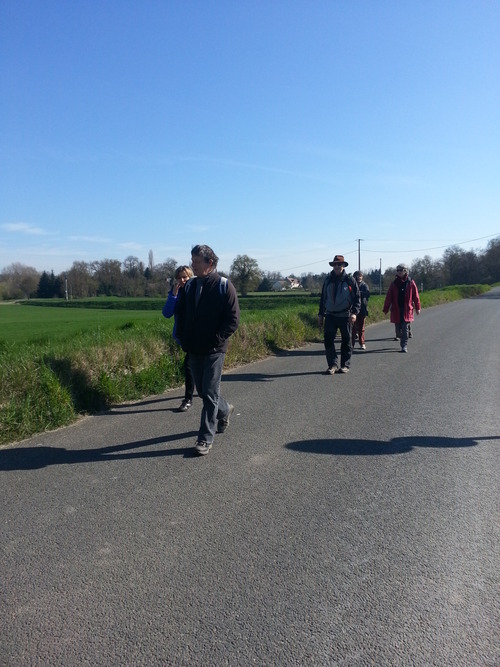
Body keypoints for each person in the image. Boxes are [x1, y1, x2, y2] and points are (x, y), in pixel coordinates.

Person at [176, 245, 240, 456]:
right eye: (192, 260)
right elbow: (182, 314)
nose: (192, 264)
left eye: (196, 261)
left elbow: (233, 320)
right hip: (193, 348)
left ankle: (205, 439)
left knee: (210, 393)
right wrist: (184, 338)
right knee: (203, 392)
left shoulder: (224, 286)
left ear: (209, 263)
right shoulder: (190, 286)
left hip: (214, 350)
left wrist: (217, 338)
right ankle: (225, 409)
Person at [318, 254, 361, 374]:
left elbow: (357, 298)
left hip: (345, 315)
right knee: (328, 340)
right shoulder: (327, 280)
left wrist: (354, 313)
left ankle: (345, 365)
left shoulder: (350, 280)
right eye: (335, 265)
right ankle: (332, 365)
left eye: (339, 264)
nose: (337, 267)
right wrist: (321, 314)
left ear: (343, 266)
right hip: (330, 315)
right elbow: (323, 299)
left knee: (346, 340)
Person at [162, 265, 195, 412]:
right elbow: (167, 313)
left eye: (185, 277)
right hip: (184, 337)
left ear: (190, 277)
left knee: (188, 367)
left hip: (197, 337)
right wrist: (173, 296)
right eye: (179, 277)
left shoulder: (196, 292)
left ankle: (188, 399)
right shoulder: (176, 294)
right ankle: (204, 389)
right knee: (193, 367)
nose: (182, 280)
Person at [383, 263, 421, 353]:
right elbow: (389, 297)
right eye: (398, 270)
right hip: (396, 309)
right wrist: (386, 308)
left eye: (401, 270)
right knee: (398, 330)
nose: (399, 272)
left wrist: (418, 307)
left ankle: (404, 346)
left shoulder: (411, 282)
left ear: (405, 271)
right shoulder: (394, 283)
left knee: (405, 328)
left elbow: (416, 296)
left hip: (407, 309)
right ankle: (402, 336)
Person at [351, 271, 370, 350]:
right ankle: (351, 345)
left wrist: (358, 293)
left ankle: (362, 343)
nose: (359, 277)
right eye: (357, 276)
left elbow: (367, 294)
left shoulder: (364, 285)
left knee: (361, 328)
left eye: (360, 276)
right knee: (352, 328)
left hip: (362, 309)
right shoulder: (351, 285)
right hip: (353, 309)